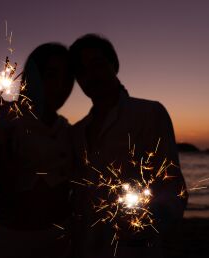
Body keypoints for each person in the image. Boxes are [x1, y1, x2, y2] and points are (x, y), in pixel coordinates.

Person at [69, 34, 188, 258]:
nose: (91, 76)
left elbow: (173, 186)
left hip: (135, 249)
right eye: (81, 71)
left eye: (97, 64)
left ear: (115, 65)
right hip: (85, 246)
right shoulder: (77, 132)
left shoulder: (149, 114)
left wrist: (148, 221)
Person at [0, 43, 75, 258]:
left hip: (61, 241)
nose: (60, 86)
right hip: (14, 242)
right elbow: (2, 183)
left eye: (67, 78)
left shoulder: (69, 131)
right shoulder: (6, 120)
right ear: (32, 77)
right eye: (51, 75)